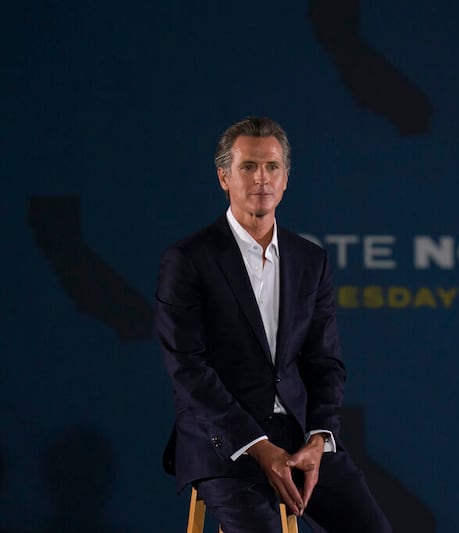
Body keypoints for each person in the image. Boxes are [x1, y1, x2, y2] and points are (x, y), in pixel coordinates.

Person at [156, 116, 391, 533]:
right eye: (248, 167)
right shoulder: (189, 259)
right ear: (224, 177)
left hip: (300, 438)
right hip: (224, 443)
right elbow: (187, 370)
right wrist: (259, 448)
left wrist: (319, 440)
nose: (261, 179)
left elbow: (325, 363)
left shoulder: (310, 260)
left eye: (272, 167)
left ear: (285, 180)